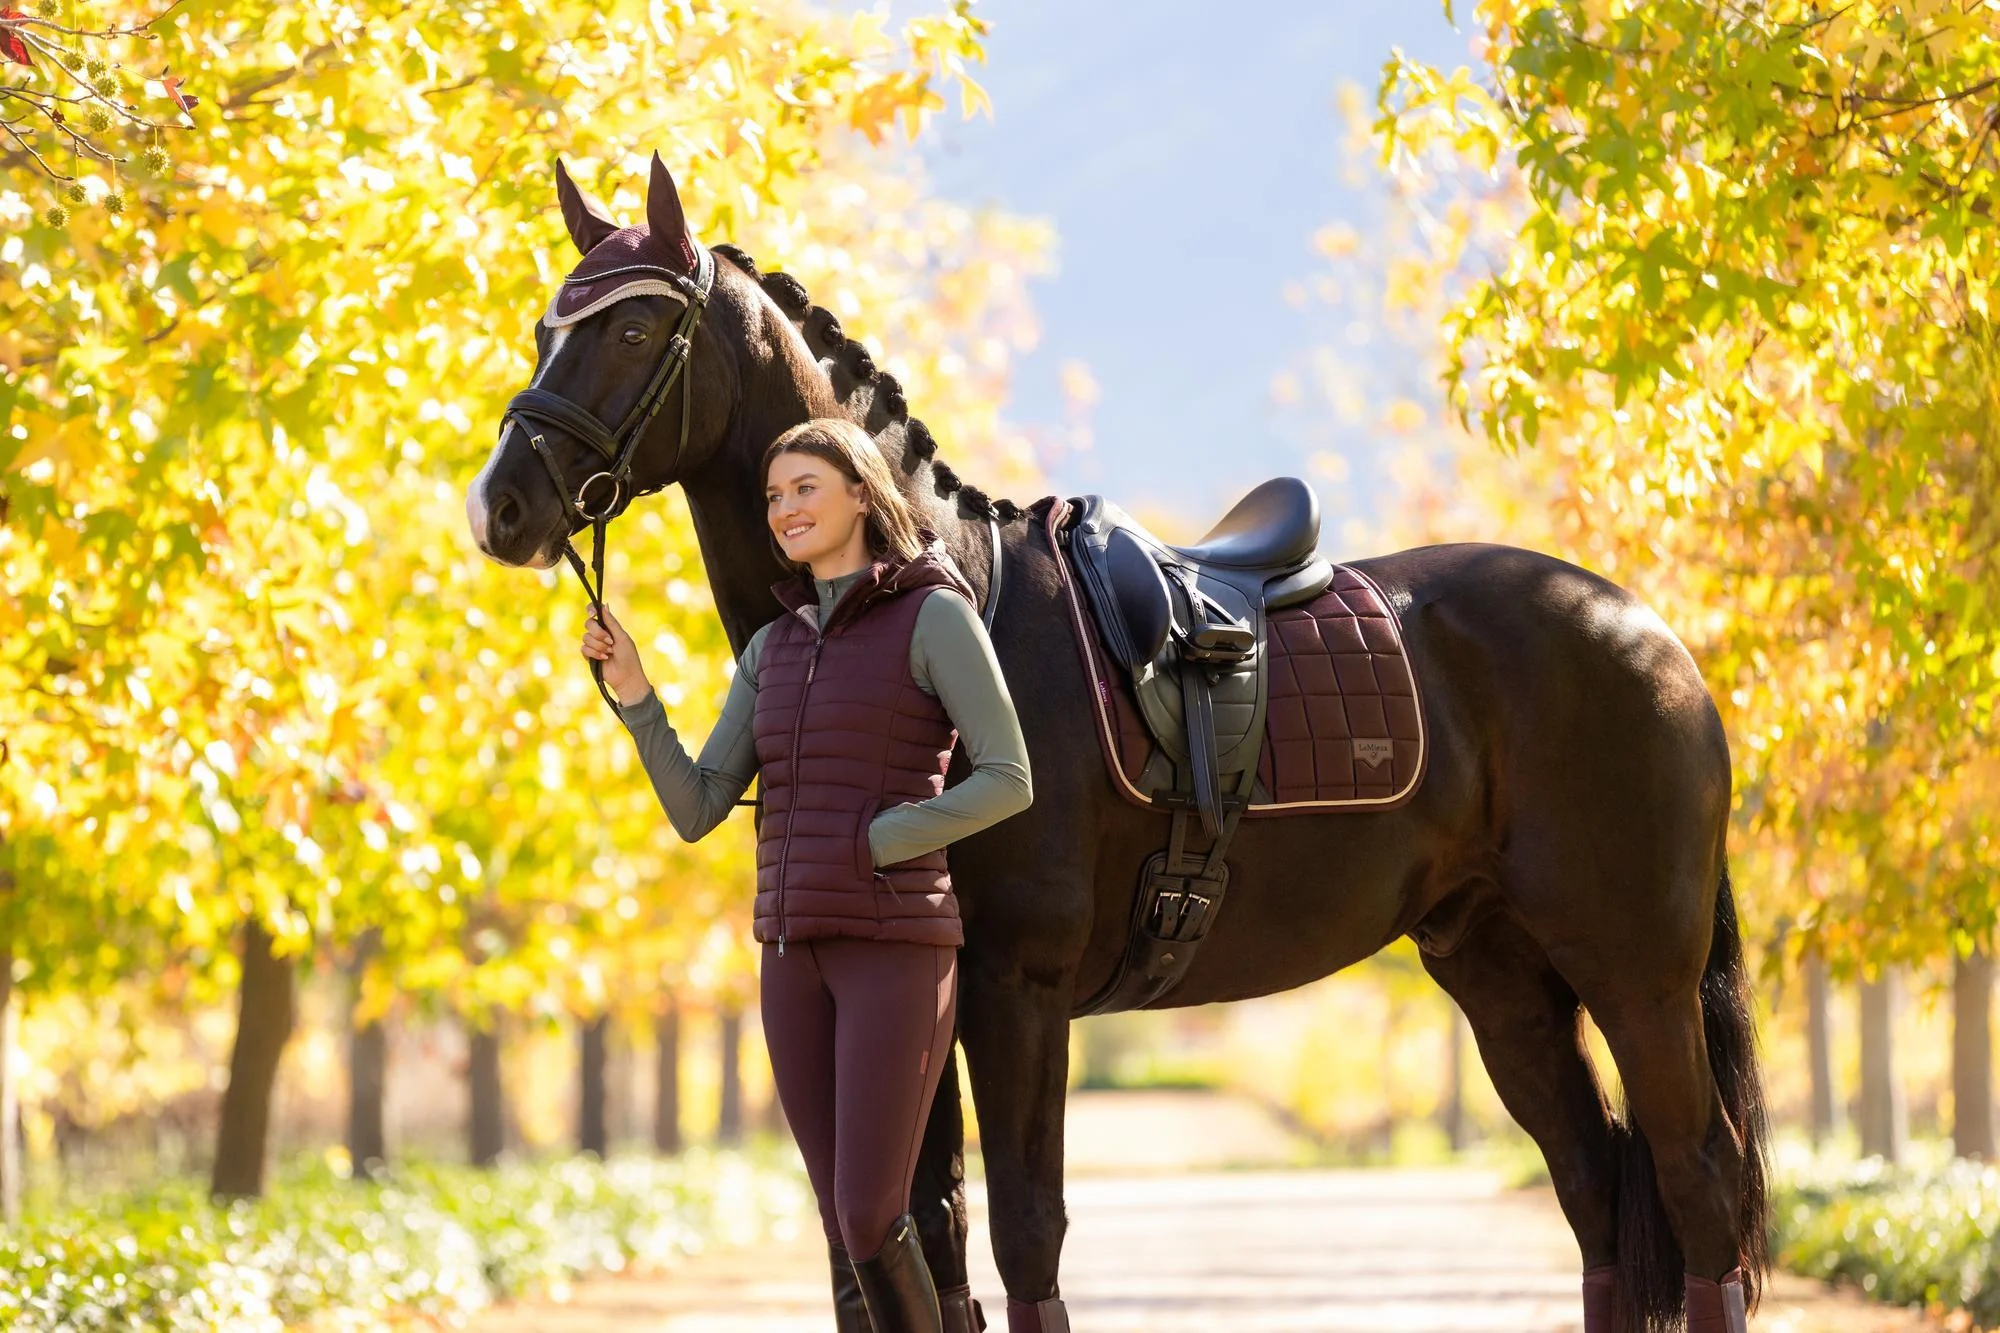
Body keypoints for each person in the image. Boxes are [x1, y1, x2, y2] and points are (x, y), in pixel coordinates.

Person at [580, 417, 1032, 1333]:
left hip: (895, 947)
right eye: (775, 495)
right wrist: (636, 697)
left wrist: (884, 837)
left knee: (871, 1209)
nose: (784, 508)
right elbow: (701, 803)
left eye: (806, 489)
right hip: (791, 956)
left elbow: (1008, 777)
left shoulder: (933, 615)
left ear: (863, 492)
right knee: (839, 1222)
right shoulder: (772, 649)